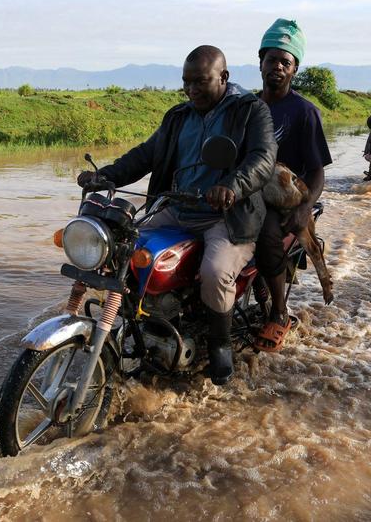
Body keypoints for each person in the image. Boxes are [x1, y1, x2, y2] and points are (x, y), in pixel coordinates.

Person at [76, 45, 276, 385]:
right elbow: (146, 155)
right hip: (177, 207)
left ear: (223, 77)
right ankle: (141, 323)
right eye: (187, 82)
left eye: (201, 81)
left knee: (215, 273)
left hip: (227, 215)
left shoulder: (250, 110)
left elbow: (263, 158)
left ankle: (220, 345)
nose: (191, 89)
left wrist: (231, 186)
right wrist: (105, 176)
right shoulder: (178, 116)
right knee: (121, 251)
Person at [252, 18, 333, 351]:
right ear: (260, 62)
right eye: (272, 59)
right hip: (247, 190)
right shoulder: (247, 107)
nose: (278, 67)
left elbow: (317, 172)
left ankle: (279, 312)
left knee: (267, 234)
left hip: (281, 197)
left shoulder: (304, 112)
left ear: (294, 69)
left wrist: (304, 209)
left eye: (286, 62)